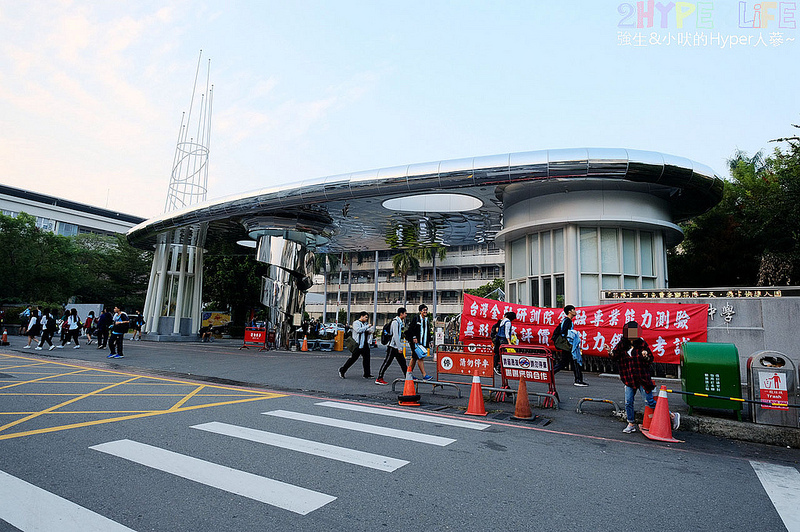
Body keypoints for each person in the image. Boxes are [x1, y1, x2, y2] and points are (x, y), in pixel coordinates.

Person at [607, 321, 679, 434]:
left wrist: (645, 356)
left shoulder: (642, 344)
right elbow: (615, 357)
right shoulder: (622, 344)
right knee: (628, 402)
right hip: (629, 378)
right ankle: (631, 424)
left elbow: (650, 359)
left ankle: (672, 415)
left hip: (642, 378)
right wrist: (610, 352)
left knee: (650, 401)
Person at [552, 305, 587, 387]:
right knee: (575, 361)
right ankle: (578, 380)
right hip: (568, 345)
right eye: (573, 310)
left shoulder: (566, 320)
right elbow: (564, 333)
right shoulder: (567, 321)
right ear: (569, 312)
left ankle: (549, 374)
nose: (575, 311)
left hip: (567, 345)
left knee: (565, 362)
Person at [375, 307, 408, 385]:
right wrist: (399, 347)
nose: (406, 315)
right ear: (401, 314)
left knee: (403, 363)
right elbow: (395, 335)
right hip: (392, 347)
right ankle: (379, 378)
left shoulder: (399, 322)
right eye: (405, 313)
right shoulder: (395, 322)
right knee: (387, 362)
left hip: (396, 347)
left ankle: (408, 377)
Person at [339, 311, 374, 379]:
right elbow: (358, 330)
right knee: (353, 359)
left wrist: (369, 331)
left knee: (367, 359)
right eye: (366, 317)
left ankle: (367, 374)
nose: (366, 319)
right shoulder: (356, 323)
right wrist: (367, 327)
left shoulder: (365, 324)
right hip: (358, 344)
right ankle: (342, 370)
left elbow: (367, 331)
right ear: (361, 316)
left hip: (365, 344)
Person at [405, 304, 433, 380]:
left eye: (426, 310)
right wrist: (414, 337)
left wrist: (430, 341)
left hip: (422, 343)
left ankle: (409, 374)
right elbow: (411, 329)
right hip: (415, 343)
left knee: (414, 358)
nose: (425, 311)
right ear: (420, 311)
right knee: (420, 358)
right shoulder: (416, 318)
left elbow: (428, 331)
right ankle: (424, 375)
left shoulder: (426, 320)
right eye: (424, 310)